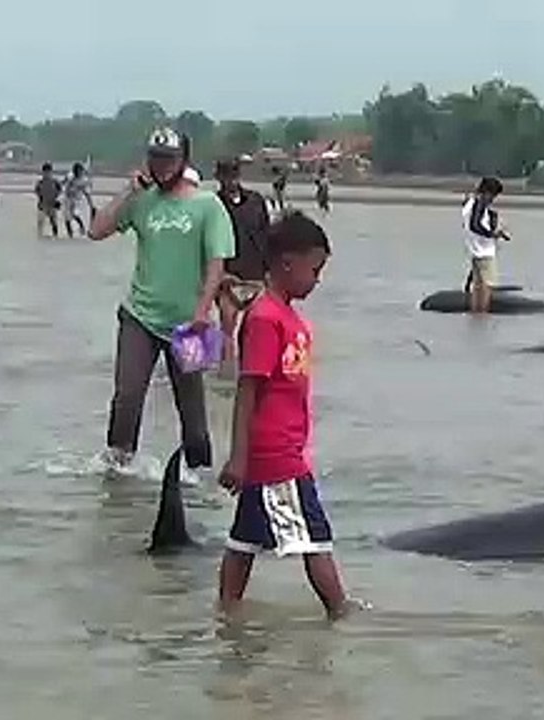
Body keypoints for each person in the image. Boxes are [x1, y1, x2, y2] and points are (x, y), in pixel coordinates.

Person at [218, 211, 350, 619]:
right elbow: (248, 388)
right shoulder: (264, 319)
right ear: (287, 263)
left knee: (244, 543)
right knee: (315, 539)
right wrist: (240, 457)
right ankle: (341, 612)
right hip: (278, 457)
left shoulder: (289, 318)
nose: (317, 280)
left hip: (283, 448)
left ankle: (226, 613)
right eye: (315, 269)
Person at [88, 127, 235, 483]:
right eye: (155, 157)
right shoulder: (142, 200)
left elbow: (217, 263)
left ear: (183, 161)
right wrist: (129, 191)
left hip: (189, 324)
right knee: (128, 397)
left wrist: (203, 311)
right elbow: (96, 230)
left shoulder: (207, 205)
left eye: (169, 159)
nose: (161, 166)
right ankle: (117, 477)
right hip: (139, 316)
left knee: (194, 416)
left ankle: (198, 481)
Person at [214, 157, 273, 377]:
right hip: (227, 277)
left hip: (256, 276)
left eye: (234, 174)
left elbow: (267, 235)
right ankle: (226, 376)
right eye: (226, 175)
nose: (231, 180)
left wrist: (269, 271)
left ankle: (253, 371)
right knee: (227, 325)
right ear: (219, 178)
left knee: (256, 328)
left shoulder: (256, 201)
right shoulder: (213, 204)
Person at [461, 176, 511, 313]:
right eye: (493, 195)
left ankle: (475, 316)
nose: (493, 199)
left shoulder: (469, 203)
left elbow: (473, 222)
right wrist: (493, 234)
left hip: (474, 250)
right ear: (487, 192)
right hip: (484, 252)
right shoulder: (479, 204)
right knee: (486, 287)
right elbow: (475, 225)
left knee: (477, 287)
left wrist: (493, 223)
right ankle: (482, 316)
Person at [63, 162, 94, 237]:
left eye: (81, 171)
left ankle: (82, 227)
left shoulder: (84, 180)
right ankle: (70, 235)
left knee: (74, 214)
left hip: (77, 199)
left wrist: (91, 204)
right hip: (67, 198)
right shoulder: (70, 176)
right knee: (67, 218)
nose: (80, 173)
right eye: (78, 171)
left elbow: (86, 193)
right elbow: (63, 183)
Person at [34, 163, 62, 238]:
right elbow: (37, 191)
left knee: (53, 222)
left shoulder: (55, 182)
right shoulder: (40, 182)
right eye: (45, 172)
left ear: (51, 172)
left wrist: (56, 199)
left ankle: (55, 236)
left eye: (48, 172)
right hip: (43, 204)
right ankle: (39, 236)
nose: (47, 174)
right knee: (40, 221)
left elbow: (60, 191)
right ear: (43, 172)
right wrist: (41, 200)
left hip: (52, 204)